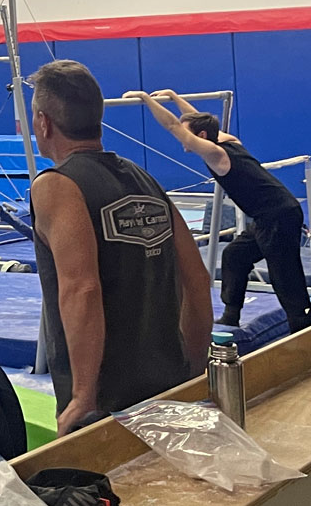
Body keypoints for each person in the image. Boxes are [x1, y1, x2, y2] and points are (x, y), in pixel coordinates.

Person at [28, 62, 213, 435]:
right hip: (167, 382)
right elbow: (197, 279)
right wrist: (194, 369)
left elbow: (82, 288)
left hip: (106, 401)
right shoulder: (144, 179)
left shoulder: (55, 186)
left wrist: (83, 396)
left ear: (44, 123)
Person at [128, 89, 311, 334]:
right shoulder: (227, 140)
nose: (183, 140)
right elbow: (195, 120)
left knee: (284, 273)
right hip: (270, 214)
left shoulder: (216, 154)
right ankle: (231, 316)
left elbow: (174, 126)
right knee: (235, 256)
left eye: (188, 135)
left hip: (277, 216)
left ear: (202, 136)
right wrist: (173, 96)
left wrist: (146, 99)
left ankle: (301, 325)